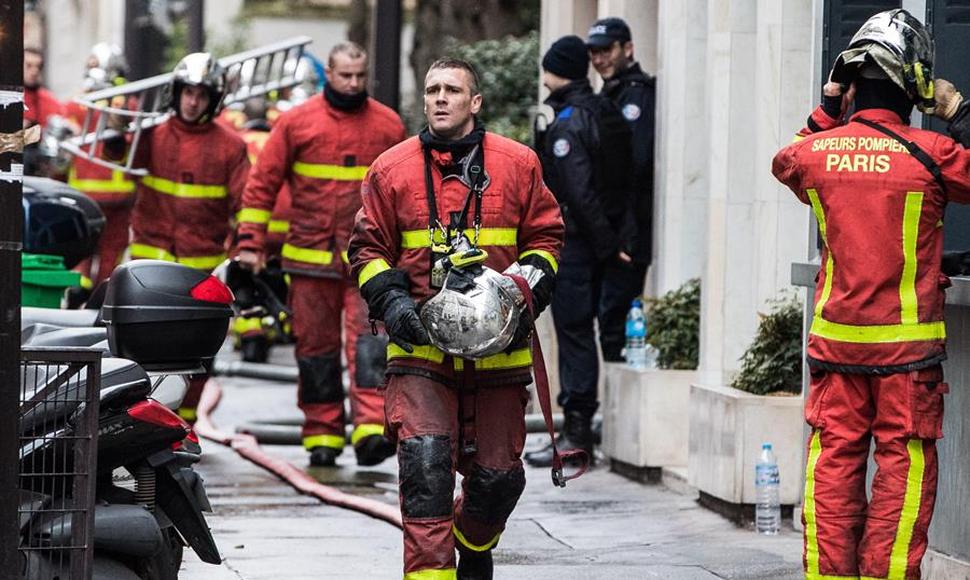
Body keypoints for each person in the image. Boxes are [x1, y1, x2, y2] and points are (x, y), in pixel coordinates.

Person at [771, 10, 970, 579]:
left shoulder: (817, 154)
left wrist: (829, 105)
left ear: (853, 84)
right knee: (902, 474)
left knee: (832, 466)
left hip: (836, 346)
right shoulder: (933, 153)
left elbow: (788, 158)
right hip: (908, 355)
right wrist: (956, 109)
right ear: (916, 88)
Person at [348, 57, 563, 580]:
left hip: (499, 356)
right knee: (425, 472)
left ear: (475, 102)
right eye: (431, 90)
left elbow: (546, 242)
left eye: (451, 90)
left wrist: (515, 294)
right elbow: (366, 250)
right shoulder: (392, 169)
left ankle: (474, 542)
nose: (439, 98)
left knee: (499, 478)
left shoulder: (518, 164)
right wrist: (394, 304)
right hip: (419, 355)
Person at [237, 42, 406, 467]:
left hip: (368, 260)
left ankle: (370, 429)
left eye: (360, 76)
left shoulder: (387, 125)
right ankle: (322, 433)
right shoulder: (297, 123)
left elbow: (405, 192)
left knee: (370, 345)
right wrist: (250, 243)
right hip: (308, 260)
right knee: (316, 351)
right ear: (328, 73)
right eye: (345, 75)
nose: (353, 83)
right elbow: (262, 184)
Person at [111, 52, 250, 422]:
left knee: (197, 358)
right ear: (176, 92)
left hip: (198, 271)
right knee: (137, 354)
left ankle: (181, 427)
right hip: (147, 271)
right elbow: (115, 151)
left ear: (214, 99)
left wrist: (246, 253)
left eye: (202, 95)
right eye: (187, 92)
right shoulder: (151, 135)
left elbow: (247, 206)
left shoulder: (230, 147)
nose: (193, 101)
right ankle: (139, 423)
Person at [525, 35, 633, 468]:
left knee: (573, 334)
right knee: (586, 333)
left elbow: (578, 191)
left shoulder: (567, 121)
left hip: (578, 246)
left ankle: (576, 433)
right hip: (605, 243)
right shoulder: (604, 108)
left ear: (556, 70)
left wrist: (605, 245)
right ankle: (577, 427)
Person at [587, 16, 655, 284]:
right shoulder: (609, 94)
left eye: (607, 50)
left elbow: (633, 164)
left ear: (627, 49)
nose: (600, 59)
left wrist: (626, 233)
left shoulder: (637, 94)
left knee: (616, 316)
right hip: (611, 226)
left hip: (631, 227)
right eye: (594, 53)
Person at [66, 43, 136, 291]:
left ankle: (77, 297)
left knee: (81, 253)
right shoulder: (128, 105)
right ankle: (100, 301)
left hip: (82, 196)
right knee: (111, 257)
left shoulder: (77, 103)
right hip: (119, 197)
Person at [23, 47, 63, 129]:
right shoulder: (5, 96)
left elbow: (63, 118)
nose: (35, 71)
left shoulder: (47, 98)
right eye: (28, 66)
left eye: (38, 66)